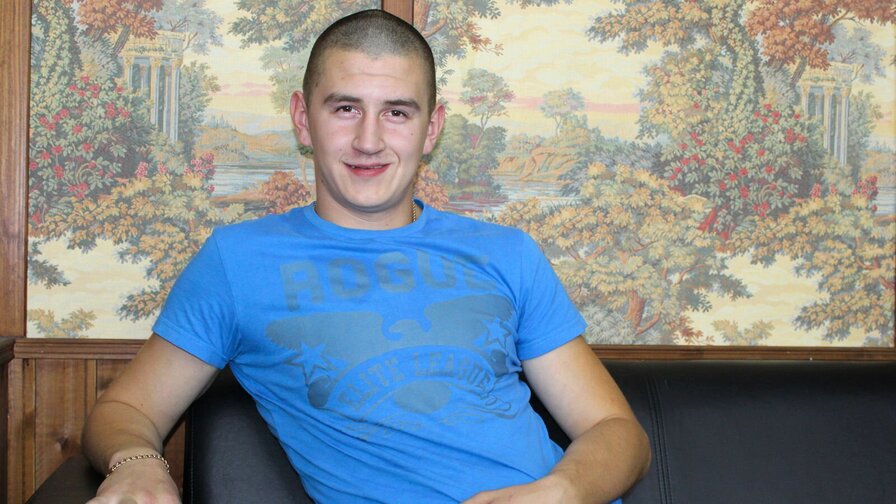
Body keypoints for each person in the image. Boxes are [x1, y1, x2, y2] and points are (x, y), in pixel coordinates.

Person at [83, 9, 650, 504]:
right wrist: (137, 465)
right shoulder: (237, 261)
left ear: (432, 129)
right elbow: (127, 409)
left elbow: (615, 430)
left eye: (397, 112)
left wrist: (562, 492)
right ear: (303, 118)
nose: (370, 140)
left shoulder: (508, 253)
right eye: (346, 108)